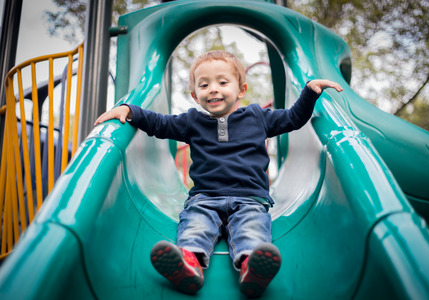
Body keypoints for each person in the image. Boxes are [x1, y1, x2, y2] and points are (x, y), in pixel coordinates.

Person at [95, 50, 343, 297]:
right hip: (204, 197)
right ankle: (188, 265)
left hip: (250, 198)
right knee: (195, 225)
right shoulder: (192, 122)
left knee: (252, 227)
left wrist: (309, 92)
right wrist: (130, 110)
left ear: (241, 90)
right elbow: (159, 124)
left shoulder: (258, 117)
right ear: (195, 95)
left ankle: (252, 268)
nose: (213, 89)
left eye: (222, 82)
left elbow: (292, 119)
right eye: (204, 85)